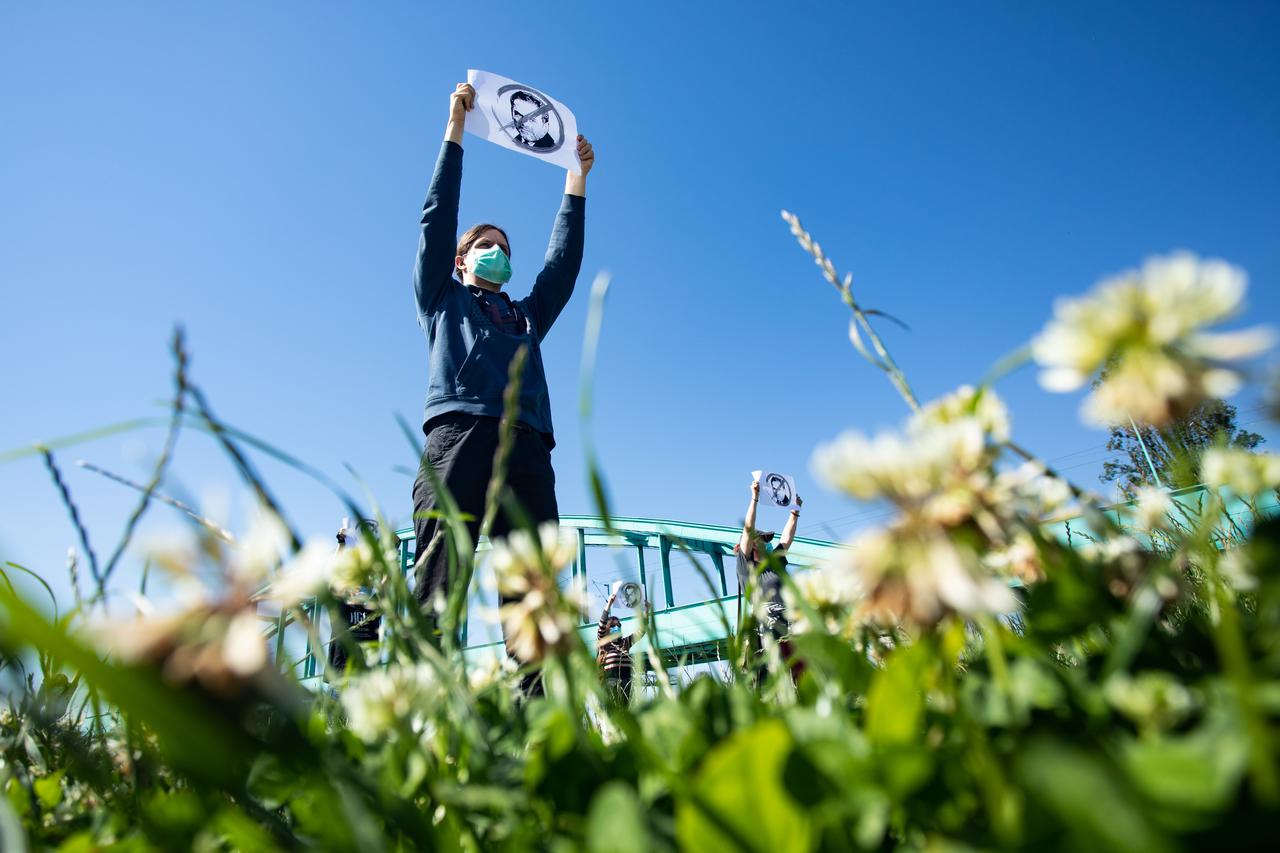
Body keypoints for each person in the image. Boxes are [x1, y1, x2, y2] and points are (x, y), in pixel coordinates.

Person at [411, 81, 596, 650]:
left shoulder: (526, 316)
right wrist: (456, 127)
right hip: (459, 434)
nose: (501, 253)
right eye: (488, 245)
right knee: (441, 578)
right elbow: (438, 218)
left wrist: (576, 179)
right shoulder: (443, 296)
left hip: (528, 446)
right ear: (463, 260)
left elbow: (561, 268)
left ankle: (539, 725)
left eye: (506, 249)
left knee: (535, 592)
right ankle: (425, 707)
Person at [736, 478, 803, 678]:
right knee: (773, 676)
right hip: (767, 628)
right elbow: (748, 529)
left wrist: (795, 512)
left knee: (798, 675)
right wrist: (754, 499)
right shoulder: (745, 567)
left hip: (791, 625)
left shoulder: (775, 561)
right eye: (763, 540)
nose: (767, 543)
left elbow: (786, 539)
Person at [597, 587, 637, 702]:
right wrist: (609, 604)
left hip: (627, 684)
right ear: (608, 629)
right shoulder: (604, 643)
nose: (617, 628)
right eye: (613, 626)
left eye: (619, 626)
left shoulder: (625, 642)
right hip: (611, 685)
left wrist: (646, 612)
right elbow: (601, 624)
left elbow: (641, 632)